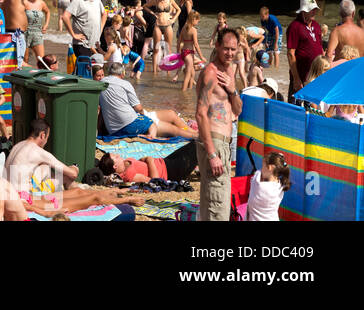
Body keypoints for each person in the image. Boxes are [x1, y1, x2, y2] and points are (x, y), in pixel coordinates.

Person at [196, 28, 244, 221]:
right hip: (214, 142)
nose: (229, 53)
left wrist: (233, 90)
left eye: (233, 49)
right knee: (217, 207)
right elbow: (200, 114)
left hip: (224, 143)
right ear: (217, 46)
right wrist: (212, 154)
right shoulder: (210, 73)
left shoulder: (230, 71)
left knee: (216, 201)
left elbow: (238, 110)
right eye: (226, 49)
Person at [99, 61, 197, 138]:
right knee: (173, 129)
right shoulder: (125, 84)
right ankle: (195, 135)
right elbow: (138, 108)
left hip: (123, 122)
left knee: (171, 113)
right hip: (130, 123)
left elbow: (101, 111)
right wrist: (144, 115)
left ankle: (191, 131)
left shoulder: (101, 83)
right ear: (122, 74)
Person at [5, 119, 80, 193]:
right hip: (23, 197)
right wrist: (74, 168)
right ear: (42, 135)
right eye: (47, 137)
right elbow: (73, 174)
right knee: (67, 177)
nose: (46, 141)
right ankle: (78, 198)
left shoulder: (17, 146)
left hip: (7, 193)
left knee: (44, 166)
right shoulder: (38, 151)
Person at [62, 0, 104, 75]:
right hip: (81, 44)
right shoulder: (78, 0)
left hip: (94, 43)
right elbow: (65, 17)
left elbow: (104, 13)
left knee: (93, 71)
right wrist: (73, 35)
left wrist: (100, 28)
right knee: (84, 70)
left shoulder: (97, 0)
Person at [286, 0, 324, 96]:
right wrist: (296, 79)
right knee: (296, 107)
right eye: (311, 9)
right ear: (303, 11)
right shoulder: (294, 27)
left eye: (315, 9)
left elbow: (320, 47)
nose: (314, 12)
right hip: (302, 76)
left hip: (316, 76)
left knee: (314, 107)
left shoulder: (316, 25)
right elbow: (290, 54)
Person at [246, 151, 291, 222]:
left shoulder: (259, 185)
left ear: (270, 167)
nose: (261, 169)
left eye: (263, 166)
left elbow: (256, 176)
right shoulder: (280, 185)